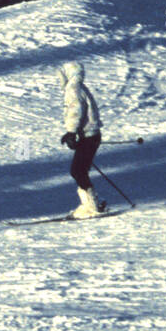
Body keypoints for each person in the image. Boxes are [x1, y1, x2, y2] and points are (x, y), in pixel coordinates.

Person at [58, 61, 106, 219]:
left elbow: (75, 111)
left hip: (89, 136)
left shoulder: (73, 89)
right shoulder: (79, 87)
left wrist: (71, 132)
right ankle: (91, 204)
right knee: (79, 170)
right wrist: (73, 133)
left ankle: (91, 207)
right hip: (90, 135)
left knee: (77, 171)